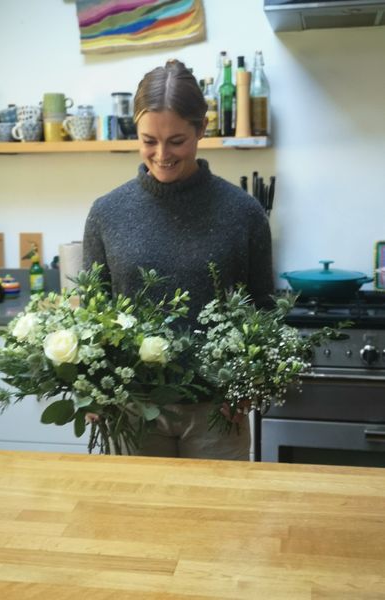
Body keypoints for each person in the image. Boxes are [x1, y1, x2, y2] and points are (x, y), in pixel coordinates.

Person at [83, 59, 274, 460]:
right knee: (136, 518)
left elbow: (263, 310)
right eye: (148, 140)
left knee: (218, 518)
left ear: (201, 130)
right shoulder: (107, 212)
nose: (161, 154)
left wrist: (248, 386)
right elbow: (91, 312)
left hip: (217, 412)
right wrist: (92, 388)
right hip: (131, 408)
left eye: (176, 140)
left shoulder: (243, 213)